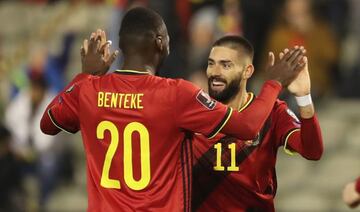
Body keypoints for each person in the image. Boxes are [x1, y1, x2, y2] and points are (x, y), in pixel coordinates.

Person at [40, 7, 305, 211]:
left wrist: (85, 76)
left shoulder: (89, 90)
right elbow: (247, 126)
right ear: (158, 41)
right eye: (166, 36)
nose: (170, 43)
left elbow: (48, 123)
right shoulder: (175, 94)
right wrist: (273, 83)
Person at [192, 36, 323, 211]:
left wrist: (304, 97)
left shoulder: (273, 111)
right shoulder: (192, 113)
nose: (215, 72)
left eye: (226, 65)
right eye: (211, 63)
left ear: (247, 71)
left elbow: (312, 150)